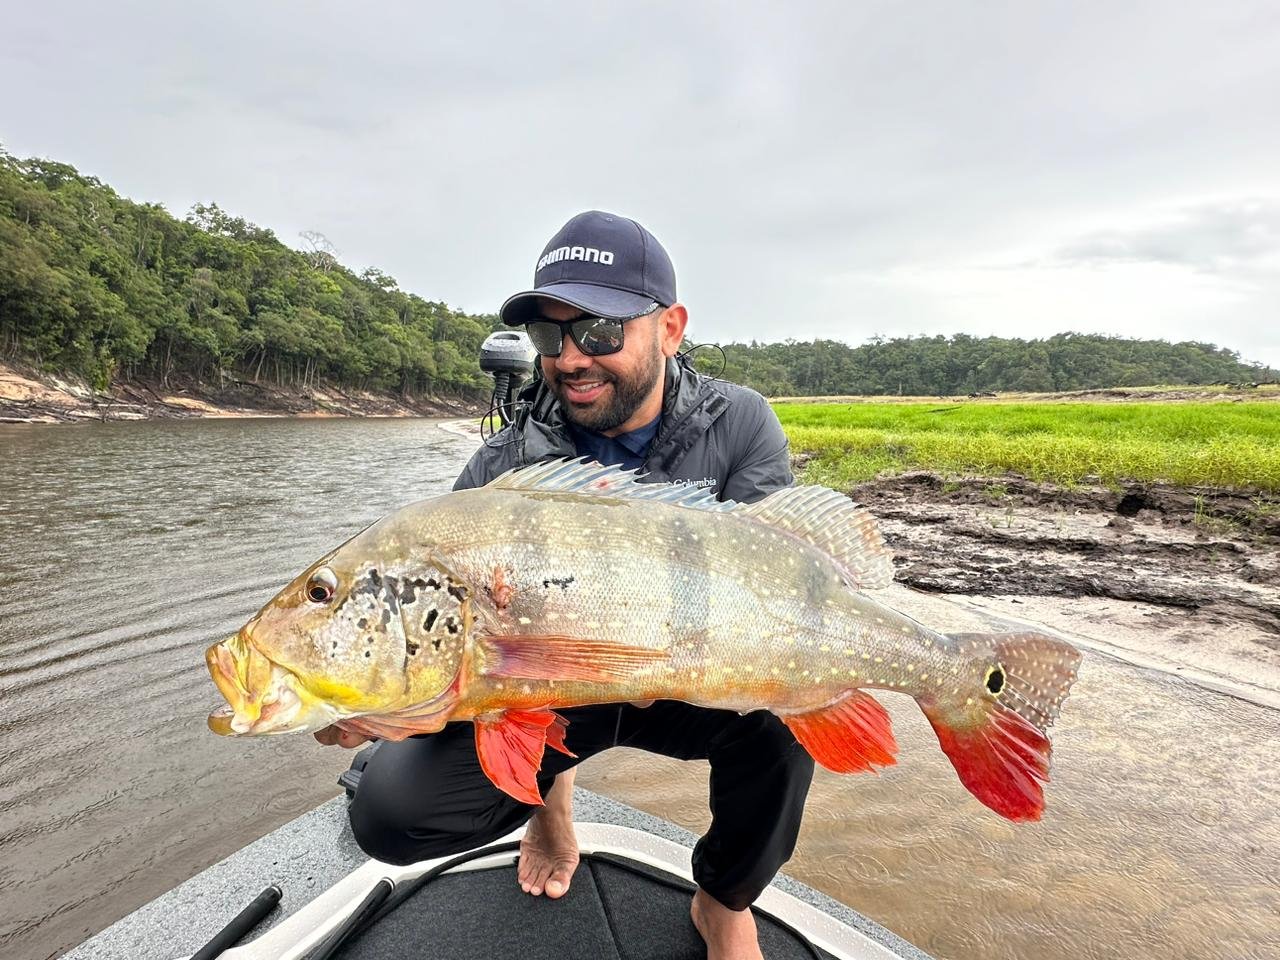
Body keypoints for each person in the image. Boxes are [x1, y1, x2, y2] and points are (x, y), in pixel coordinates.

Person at [315, 210, 814, 960]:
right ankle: (550, 812)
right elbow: (450, 636)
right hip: (547, 689)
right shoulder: (501, 467)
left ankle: (723, 898)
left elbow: (776, 578)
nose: (572, 357)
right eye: (550, 336)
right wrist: (392, 700)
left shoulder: (739, 424)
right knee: (391, 813)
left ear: (670, 328)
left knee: (789, 720)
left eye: (600, 331)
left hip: (689, 682)